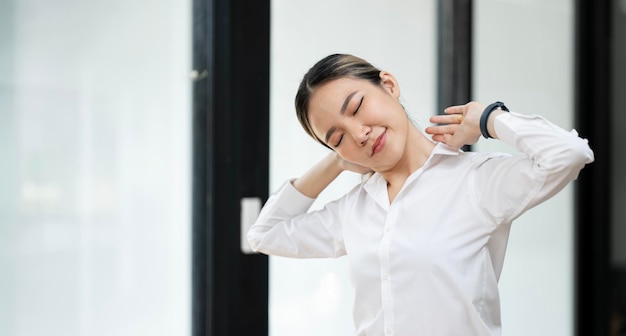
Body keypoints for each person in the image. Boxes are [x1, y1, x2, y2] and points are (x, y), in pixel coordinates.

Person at [247, 53, 594, 335]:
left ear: (389, 85)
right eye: (338, 138)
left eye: (356, 108)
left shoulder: (472, 181)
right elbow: (265, 234)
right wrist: (335, 164)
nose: (359, 134)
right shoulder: (354, 209)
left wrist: (488, 118)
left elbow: (569, 154)